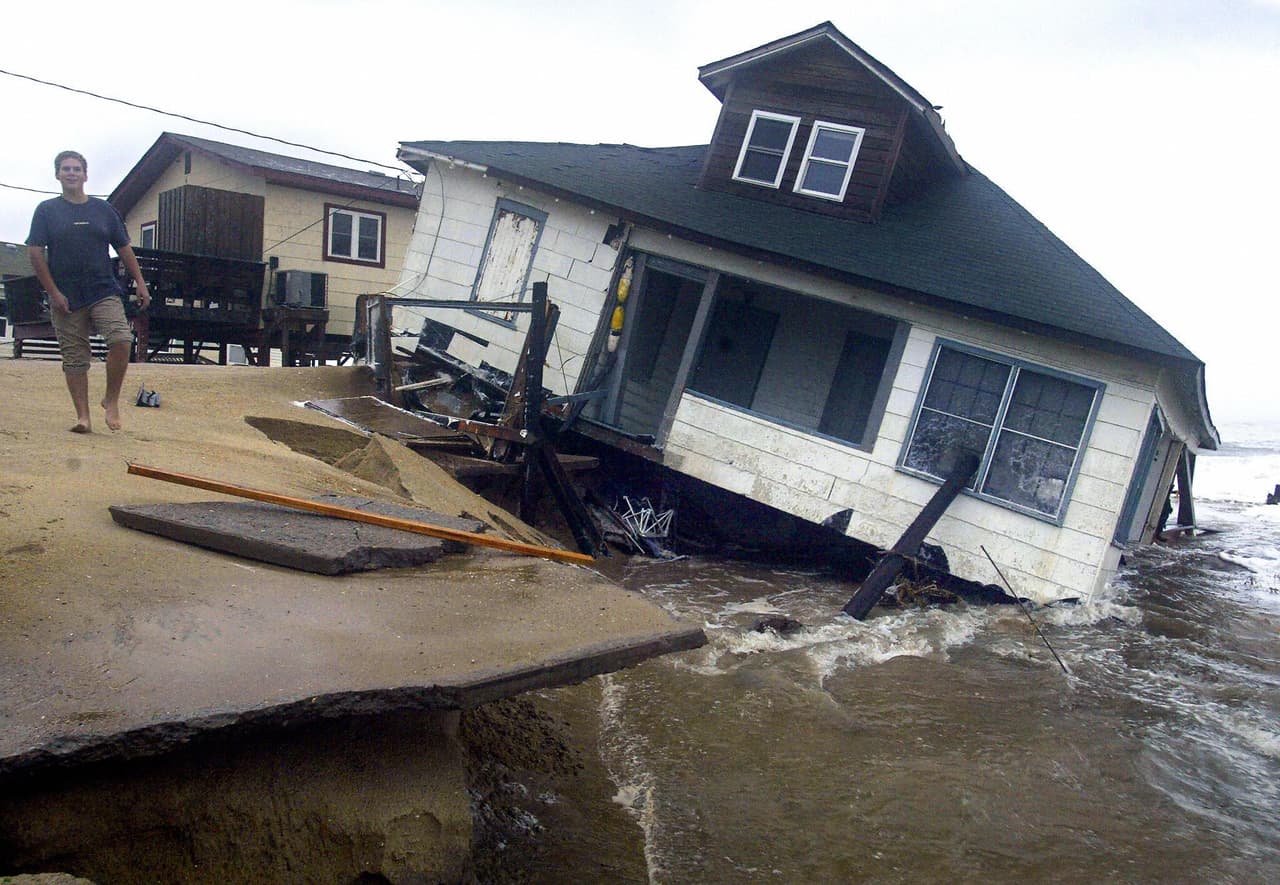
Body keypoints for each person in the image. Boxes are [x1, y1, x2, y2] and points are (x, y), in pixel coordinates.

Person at [26, 150, 151, 433]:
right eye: (66, 169)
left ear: (85, 175)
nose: (71, 173)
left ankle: (112, 399)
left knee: (120, 339)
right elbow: (35, 253)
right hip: (65, 295)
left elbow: (124, 248)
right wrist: (53, 292)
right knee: (75, 358)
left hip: (102, 289)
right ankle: (83, 417)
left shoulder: (103, 210)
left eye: (76, 169)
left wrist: (140, 282)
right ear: (57, 174)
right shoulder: (46, 210)